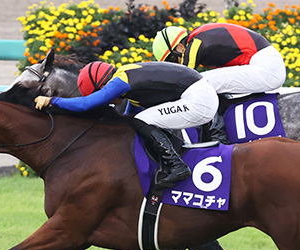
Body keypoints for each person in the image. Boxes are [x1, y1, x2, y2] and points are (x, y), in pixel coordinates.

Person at [34, 61, 218, 188]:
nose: (108, 99)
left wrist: (52, 101)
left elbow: (86, 104)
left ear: (102, 85)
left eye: (104, 93)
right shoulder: (128, 79)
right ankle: (172, 161)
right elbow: (128, 117)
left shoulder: (121, 81)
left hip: (199, 99)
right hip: (199, 94)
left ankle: (177, 165)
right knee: (142, 121)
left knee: (143, 120)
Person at [152, 23, 286, 95]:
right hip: (266, 65)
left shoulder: (196, 42)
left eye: (173, 60)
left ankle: (217, 133)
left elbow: (184, 77)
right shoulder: (199, 35)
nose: (176, 64)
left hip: (266, 67)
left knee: (201, 82)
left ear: (180, 47)